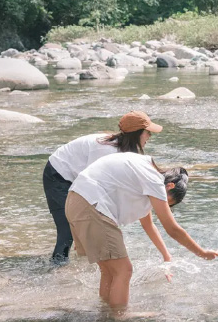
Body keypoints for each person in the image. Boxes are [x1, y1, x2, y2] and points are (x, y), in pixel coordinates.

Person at [65, 152, 218, 311]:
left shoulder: (144, 175)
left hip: (76, 200)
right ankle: (119, 317)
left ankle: (106, 314)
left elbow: (149, 226)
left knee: (109, 270)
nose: (160, 205)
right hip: (91, 205)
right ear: (170, 186)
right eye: (167, 202)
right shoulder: (154, 181)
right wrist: (201, 252)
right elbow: (173, 229)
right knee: (124, 270)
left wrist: (167, 256)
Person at [42, 111, 162, 264]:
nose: (150, 137)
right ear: (137, 133)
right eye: (148, 132)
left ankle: (80, 266)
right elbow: (90, 184)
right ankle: (56, 270)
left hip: (74, 175)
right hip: (58, 174)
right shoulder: (107, 151)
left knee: (85, 225)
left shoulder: (122, 151)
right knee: (67, 231)